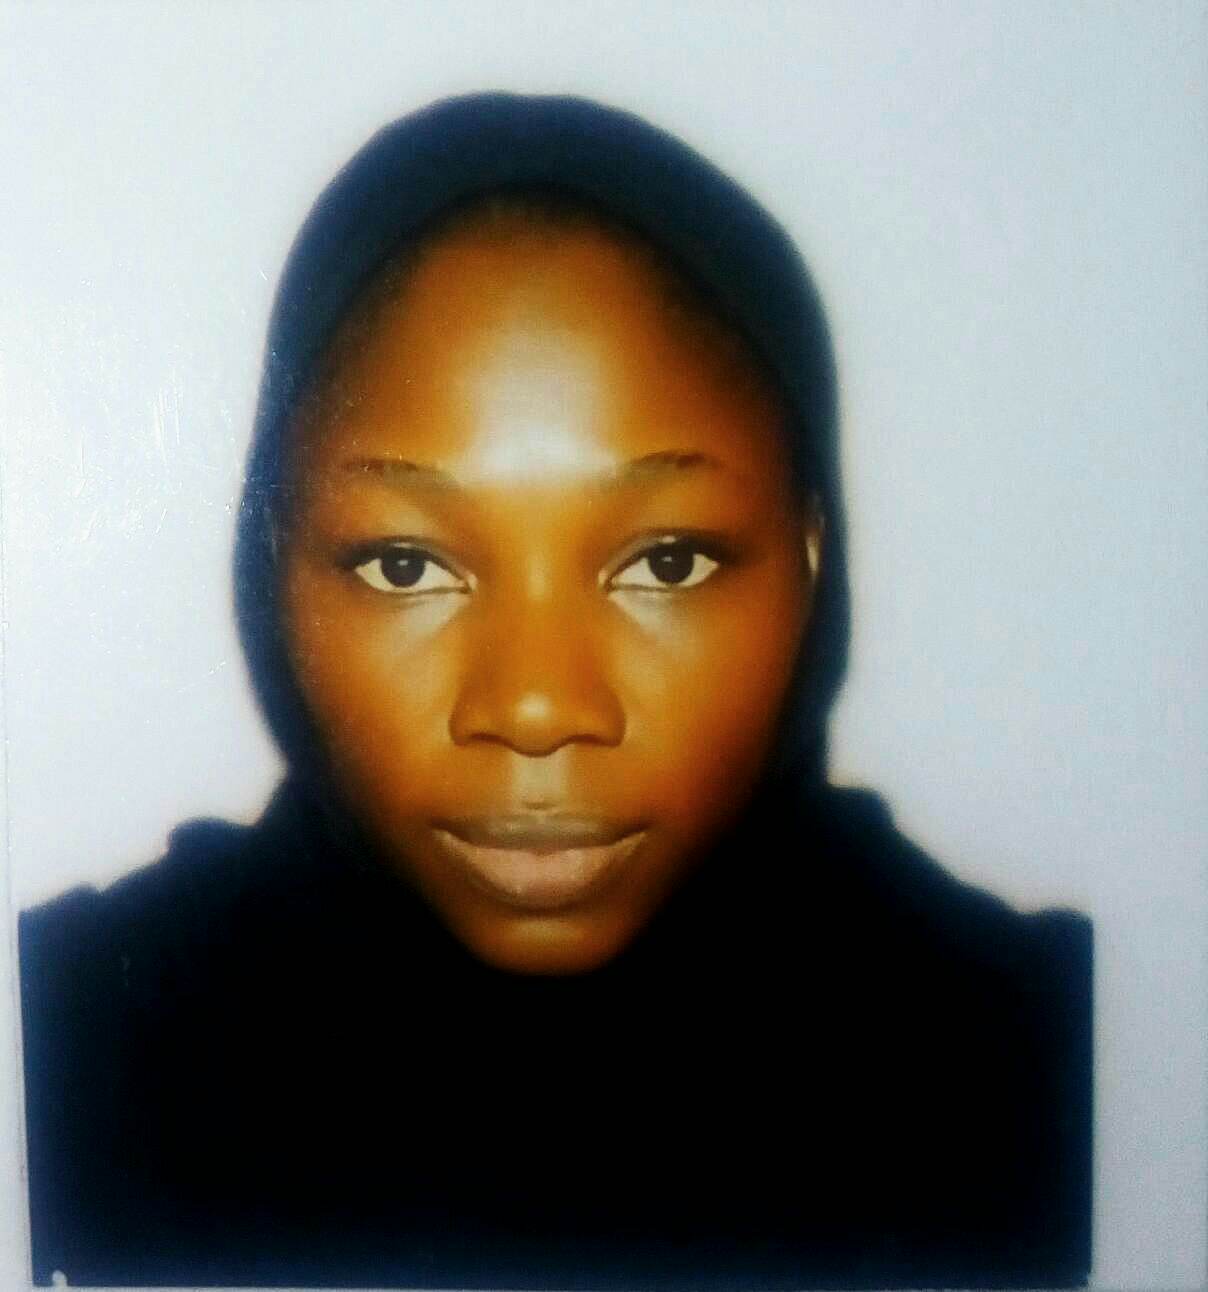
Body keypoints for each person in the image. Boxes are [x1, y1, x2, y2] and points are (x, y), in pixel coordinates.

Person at [18, 93, 1092, 1289]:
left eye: (666, 562)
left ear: (809, 553)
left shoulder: (1050, 1061)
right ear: (272, 568)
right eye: (404, 565)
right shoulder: (67, 1045)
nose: (535, 708)